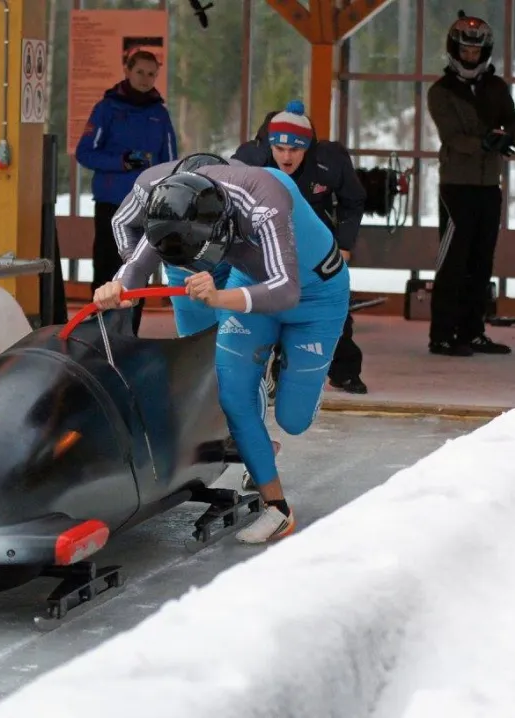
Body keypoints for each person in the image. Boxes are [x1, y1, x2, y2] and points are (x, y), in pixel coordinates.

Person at [93, 165, 351, 544]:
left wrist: (218, 298)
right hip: (250, 284)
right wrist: (113, 289)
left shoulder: (265, 204)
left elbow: (285, 290)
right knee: (233, 396)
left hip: (313, 296)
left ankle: (291, 370)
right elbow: (136, 267)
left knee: (293, 419)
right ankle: (277, 508)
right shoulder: (173, 205)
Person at [234, 100, 369, 394]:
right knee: (264, 309)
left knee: (331, 305)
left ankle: (344, 370)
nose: (286, 156)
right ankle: (264, 374)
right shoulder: (250, 159)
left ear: (308, 148)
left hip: (317, 241)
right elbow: (227, 201)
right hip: (264, 240)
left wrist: (344, 244)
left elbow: (354, 200)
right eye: (279, 149)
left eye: (295, 150)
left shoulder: (330, 161)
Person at [426, 12, 515, 357]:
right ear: (455, 50)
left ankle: (472, 331)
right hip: (457, 187)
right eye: (465, 51)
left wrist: (508, 135)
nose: (470, 56)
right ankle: (442, 334)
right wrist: (486, 141)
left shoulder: (497, 87)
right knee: (453, 262)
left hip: (488, 185)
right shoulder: (440, 92)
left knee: (481, 262)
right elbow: (452, 136)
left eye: (475, 52)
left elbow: (513, 118)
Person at [76, 50, 178, 334]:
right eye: (140, 72)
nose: (146, 79)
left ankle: (130, 334)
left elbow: (171, 161)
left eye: (151, 74)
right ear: (127, 70)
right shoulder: (107, 109)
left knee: (138, 268)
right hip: (111, 204)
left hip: (146, 207)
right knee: (106, 267)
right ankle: (97, 334)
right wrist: (120, 161)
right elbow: (84, 153)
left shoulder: (160, 114)